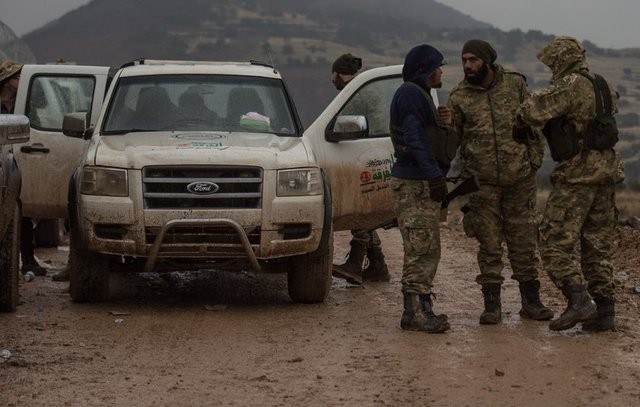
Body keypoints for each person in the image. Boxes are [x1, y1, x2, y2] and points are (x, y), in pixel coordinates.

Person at [517, 36, 625, 331]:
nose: (552, 69)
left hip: (578, 177)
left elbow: (532, 110)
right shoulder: (602, 85)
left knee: (552, 242)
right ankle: (605, 312)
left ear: (562, 59)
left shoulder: (571, 84)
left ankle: (579, 300)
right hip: (606, 175)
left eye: (553, 63)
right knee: (597, 246)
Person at [444, 40, 553, 325]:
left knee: (524, 241)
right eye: (464, 60)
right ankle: (492, 306)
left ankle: (531, 302)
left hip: (520, 180)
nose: (467, 65)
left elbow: (534, 124)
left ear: (488, 61)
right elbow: (450, 141)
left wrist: (534, 161)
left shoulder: (515, 85)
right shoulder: (458, 97)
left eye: (473, 60)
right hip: (482, 185)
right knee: (489, 243)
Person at [388, 44, 451, 333]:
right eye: (438, 66)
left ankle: (422, 308)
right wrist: (433, 176)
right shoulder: (412, 94)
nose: (441, 71)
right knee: (420, 249)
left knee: (427, 249)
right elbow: (414, 138)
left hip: (419, 181)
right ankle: (414, 313)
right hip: (415, 184)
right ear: (426, 69)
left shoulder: (418, 94)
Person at [330, 53, 391, 284]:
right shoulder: (365, 88)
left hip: (363, 156)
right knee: (363, 209)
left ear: (337, 74)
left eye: (333, 75)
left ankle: (356, 263)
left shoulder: (354, 92)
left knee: (359, 209)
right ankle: (377, 264)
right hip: (374, 153)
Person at [0, 60, 48, 277]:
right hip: (4, 162)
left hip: (24, 159)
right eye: (17, 77)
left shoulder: (27, 101)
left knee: (24, 212)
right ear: (6, 82)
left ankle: (28, 260)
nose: (21, 80)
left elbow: (43, 110)